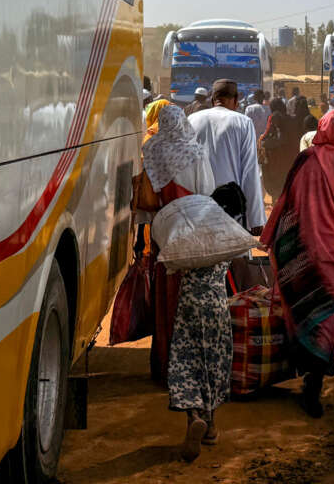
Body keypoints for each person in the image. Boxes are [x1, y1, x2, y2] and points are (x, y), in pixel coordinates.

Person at [261, 111, 334, 419]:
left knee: (303, 309)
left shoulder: (307, 160)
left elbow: (286, 202)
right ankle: (312, 385)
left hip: (306, 255)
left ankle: (306, 378)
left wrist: (277, 236)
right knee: (327, 319)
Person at [140, 106, 230, 460]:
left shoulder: (153, 149)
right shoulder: (196, 149)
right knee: (213, 347)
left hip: (169, 237)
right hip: (201, 236)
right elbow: (208, 190)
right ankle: (211, 422)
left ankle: (183, 397)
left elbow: (146, 206)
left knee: (176, 321)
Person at [188, 80, 266, 234]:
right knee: (234, 253)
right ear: (236, 100)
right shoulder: (243, 122)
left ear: (212, 100)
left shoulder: (192, 120)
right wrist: (255, 219)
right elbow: (250, 172)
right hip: (232, 208)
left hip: (197, 205)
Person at [261, 97, 301, 198]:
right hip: (292, 157)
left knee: (278, 186)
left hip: (278, 159)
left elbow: (279, 139)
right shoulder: (292, 119)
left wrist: (265, 143)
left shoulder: (276, 117)